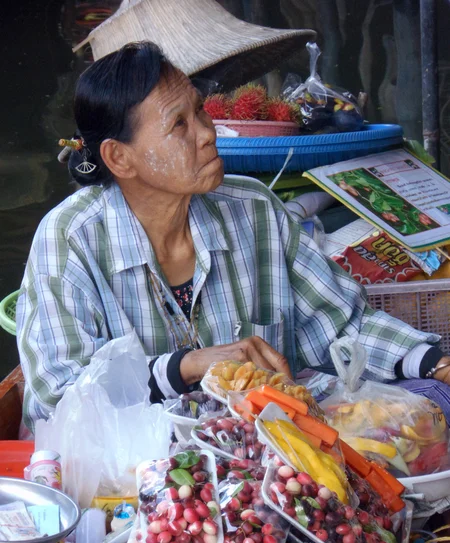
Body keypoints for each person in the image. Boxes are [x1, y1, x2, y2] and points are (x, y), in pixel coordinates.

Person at [17, 42, 450, 433]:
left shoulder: (253, 208)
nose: (208, 133)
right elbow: (58, 397)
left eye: (200, 110)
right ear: (119, 157)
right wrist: (185, 367)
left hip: (268, 458)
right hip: (142, 480)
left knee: (435, 406)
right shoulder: (71, 241)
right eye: (179, 125)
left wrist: (433, 362)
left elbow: (341, 326)